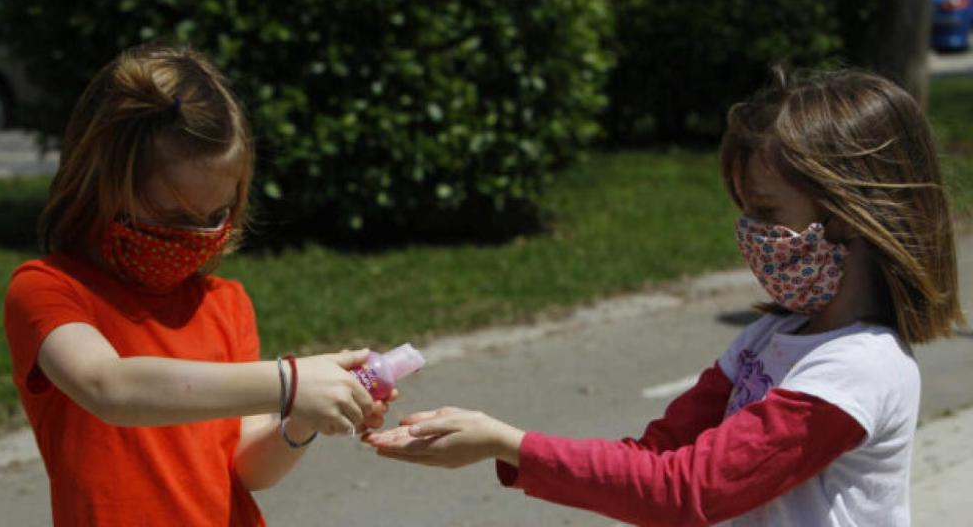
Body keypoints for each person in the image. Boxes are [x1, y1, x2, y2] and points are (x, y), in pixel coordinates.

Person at [366, 67, 966, 526]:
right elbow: (654, 457)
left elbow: (690, 489)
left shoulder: (857, 371)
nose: (750, 234)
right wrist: (507, 450)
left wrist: (508, 443)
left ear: (849, 216)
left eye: (764, 212)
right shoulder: (768, 340)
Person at [4, 43, 392, 526]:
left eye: (216, 215)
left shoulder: (226, 304)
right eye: (173, 216)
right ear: (105, 183)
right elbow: (110, 387)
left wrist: (303, 418)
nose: (197, 234)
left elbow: (247, 469)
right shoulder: (48, 290)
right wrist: (290, 382)